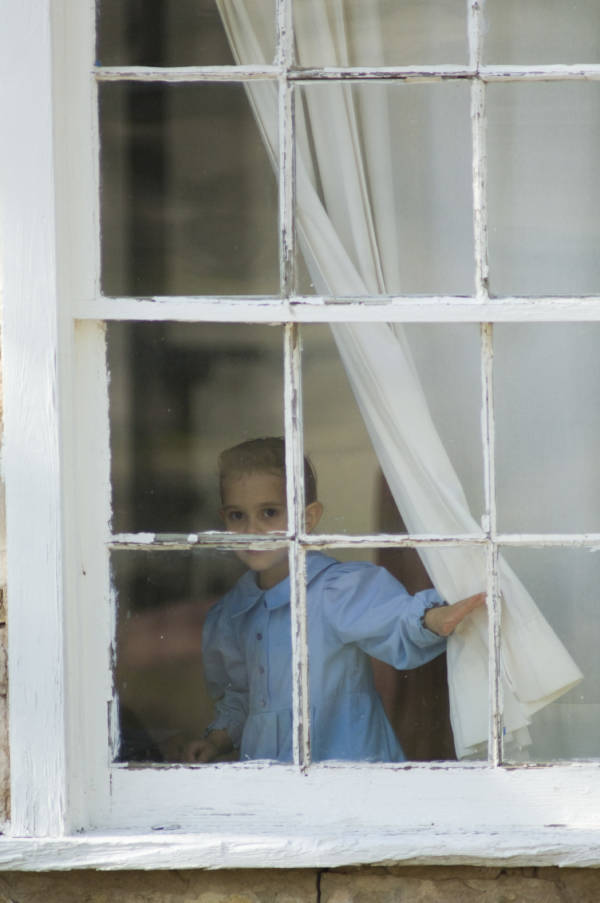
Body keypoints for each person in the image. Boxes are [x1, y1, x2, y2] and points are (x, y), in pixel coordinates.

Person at [186, 437, 485, 764]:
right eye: (237, 516)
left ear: (307, 518)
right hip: (271, 781)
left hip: (351, 772)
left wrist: (431, 619)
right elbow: (239, 697)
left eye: (269, 512)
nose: (252, 529)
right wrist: (216, 741)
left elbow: (391, 619)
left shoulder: (335, 591)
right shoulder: (232, 614)